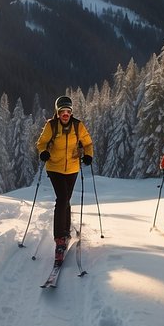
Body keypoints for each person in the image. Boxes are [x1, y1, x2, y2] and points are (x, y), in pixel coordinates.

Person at [36, 95, 94, 266]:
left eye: (68, 111)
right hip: (54, 168)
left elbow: (88, 143)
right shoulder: (51, 125)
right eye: (62, 111)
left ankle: (66, 231)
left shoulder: (78, 125)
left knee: (66, 199)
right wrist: (43, 152)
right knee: (61, 199)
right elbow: (41, 143)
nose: (65, 114)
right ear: (58, 112)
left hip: (72, 169)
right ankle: (59, 238)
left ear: (71, 112)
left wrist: (88, 155)